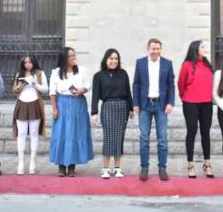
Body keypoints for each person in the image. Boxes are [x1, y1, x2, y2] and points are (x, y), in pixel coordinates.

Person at [133, 38, 175, 181]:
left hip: (161, 105)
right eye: (153, 48)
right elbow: (136, 84)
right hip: (145, 105)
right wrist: (135, 104)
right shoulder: (140, 63)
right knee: (144, 138)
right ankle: (144, 168)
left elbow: (171, 85)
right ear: (148, 49)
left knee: (162, 139)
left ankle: (162, 168)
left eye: (158, 49)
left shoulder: (167, 64)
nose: (155, 51)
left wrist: (170, 102)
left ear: (161, 50)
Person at [49, 47, 93, 177]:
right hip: (62, 103)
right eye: (71, 56)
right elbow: (52, 91)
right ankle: (61, 166)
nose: (74, 58)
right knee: (61, 133)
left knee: (75, 133)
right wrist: (55, 108)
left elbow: (88, 85)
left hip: (77, 104)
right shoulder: (56, 72)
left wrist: (81, 90)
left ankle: (72, 165)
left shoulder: (81, 70)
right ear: (64, 58)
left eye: (74, 55)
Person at [91, 48, 133, 179]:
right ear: (106, 59)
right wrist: (94, 113)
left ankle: (118, 168)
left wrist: (131, 108)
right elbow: (95, 95)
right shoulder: (99, 75)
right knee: (109, 137)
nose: (113, 61)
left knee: (119, 137)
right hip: (107, 106)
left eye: (116, 59)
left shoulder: (123, 73)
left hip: (122, 107)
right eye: (111, 58)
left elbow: (128, 92)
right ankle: (105, 168)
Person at [178, 40, 214, 178]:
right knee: (191, 132)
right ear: (195, 49)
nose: (205, 49)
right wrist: (185, 97)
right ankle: (190, 164)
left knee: (206, 133)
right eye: (202, 47)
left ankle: (207, 164)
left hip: (206, 103)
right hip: (190, 103)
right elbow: (181, 84)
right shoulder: (186, 65)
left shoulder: (207, 65)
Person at [13, 56, 48, 175]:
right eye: (25, 62)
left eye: (30, 62)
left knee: (34, 134)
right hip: (22, 103)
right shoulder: (19, 74)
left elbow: (46, 90)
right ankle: (21, 162)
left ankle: (33, 162)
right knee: (21, 134)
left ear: (34, 62)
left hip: (35, 103)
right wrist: (19, 87)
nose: (27, 64)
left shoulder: (40, 73)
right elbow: (15, 90)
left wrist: (35, 84)